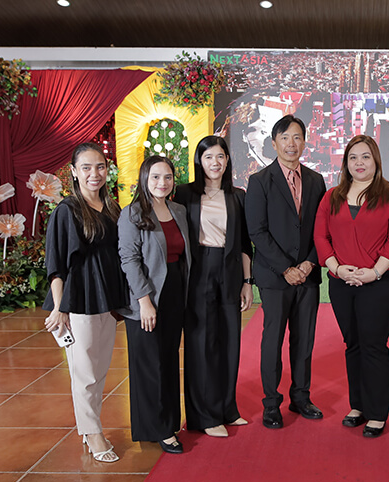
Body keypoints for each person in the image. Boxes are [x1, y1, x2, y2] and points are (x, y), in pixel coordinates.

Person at [314, 135, 389, 438]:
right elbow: (320, 237)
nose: (359, 163)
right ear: (345, 162)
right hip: (341, 283)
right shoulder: (332, 197)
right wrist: (336, 268)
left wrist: (375, 272)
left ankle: (377, 412)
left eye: (365, 156)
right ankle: (358, 406)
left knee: (373, 345)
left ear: (376, 161)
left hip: (380, 284)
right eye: (353, 157)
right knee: (352, 344)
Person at [43, 142, 127, 463]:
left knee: (100, 368)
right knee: (85, 372)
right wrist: (59, 307)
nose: (95, 173)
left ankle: (89, 425)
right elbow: (57, 264)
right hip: (79, 299)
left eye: (100, 167)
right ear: (74, 172)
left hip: (107, 297)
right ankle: (92, 433)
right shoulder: (67, 210)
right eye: (87, 168)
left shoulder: (112, 207)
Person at [246, 115, 327, 429]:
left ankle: (301, 397)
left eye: (297, 137)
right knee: (273, 340)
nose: (291, 144)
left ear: (304, 142)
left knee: (304, 340)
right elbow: (257, 231)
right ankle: (271, 403)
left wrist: (308, 263)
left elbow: (322, 228)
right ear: (274, 143)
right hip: (274, 277)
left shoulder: (316, 180)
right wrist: (285, 268)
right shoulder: (259, 181)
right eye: (285, 138)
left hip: (307, 274)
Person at [173, 136, 254, 438]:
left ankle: (227, 409)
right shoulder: (185, 194)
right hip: (199, 271)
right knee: (202, 343)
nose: (215, 163)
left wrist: (247, 282)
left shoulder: (238, 196)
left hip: (230, 270)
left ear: (227, 160)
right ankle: (204, 416)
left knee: (230, 341)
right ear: (199, 161)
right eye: (208, 157)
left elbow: (244, 243)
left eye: (220, 156)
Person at [118, 156, 191, 454]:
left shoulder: (178, 210)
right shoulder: (132, 213)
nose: (162, 182)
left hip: (175, 291)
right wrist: (144, 300)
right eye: (156, 177)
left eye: (168, 177)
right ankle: (159, 428)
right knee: (149, 364)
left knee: (169, 359)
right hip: (147, 295)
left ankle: (167, 422)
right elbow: (129, 260)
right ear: (144, 179)